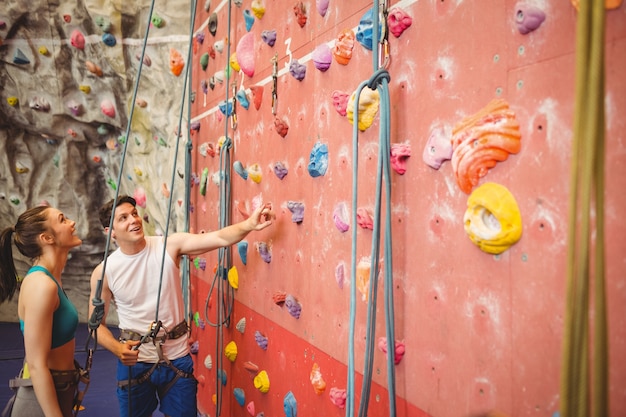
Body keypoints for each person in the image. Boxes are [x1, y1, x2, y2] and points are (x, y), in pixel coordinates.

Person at [88, 195, 275, 417]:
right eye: (124, 218)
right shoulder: (104, 272)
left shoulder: (169, 246)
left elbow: (220, 238)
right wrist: (117, 349)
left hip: (176, 359)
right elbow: (95, 325)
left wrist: (250, 224)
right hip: (136, 362)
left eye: (135, 213)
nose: (134, 220)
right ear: (111, 231)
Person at [0, 205, 83, 417]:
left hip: (58, 389)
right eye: (63, 220)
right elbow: (36, 364)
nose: (72, 223)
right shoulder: (41, 285)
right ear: (47, 238)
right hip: (40, 400)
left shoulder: (51, 279)